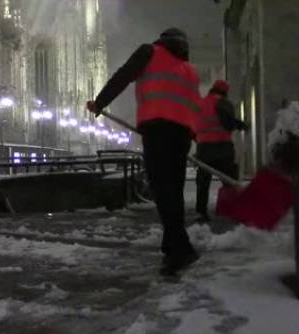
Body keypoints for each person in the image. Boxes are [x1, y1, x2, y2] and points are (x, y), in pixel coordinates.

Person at [87, 28, 201, 276]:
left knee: (162, 190)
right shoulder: (189, 70)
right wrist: (194, 134)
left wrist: (100, 101)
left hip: (158, 129)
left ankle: (180, 250)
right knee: (174, 190)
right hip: (182, 135)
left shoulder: (150, 52)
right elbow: (195, 106)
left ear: (162, 40)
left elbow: (124, 76)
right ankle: (173, 244)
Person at [193, 80, 248, 223]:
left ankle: (201, 212)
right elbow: (228, 123)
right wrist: (240, 125)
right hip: (221, 147)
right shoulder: (223, 103)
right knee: (229, 179)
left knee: (203, 182)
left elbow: (193, 126)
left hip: (204, 148)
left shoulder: (200, 103)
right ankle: (230, 210)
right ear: (224, 92)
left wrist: (199, 139)